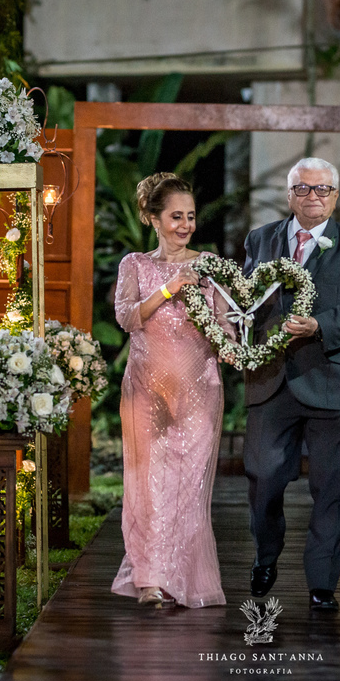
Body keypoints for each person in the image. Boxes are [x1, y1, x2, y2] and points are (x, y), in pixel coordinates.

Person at [242, 157, 340, 612]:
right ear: (290, 194)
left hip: (331, 381)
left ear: (336, 196)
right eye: (302, 188)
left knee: (333, 487)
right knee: (263, 477)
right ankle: (266, 556)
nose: (312, 196)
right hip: (270, 382)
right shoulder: (259, 239)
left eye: (322, 189)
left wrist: (318, 326)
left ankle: (322, 581)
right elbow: (246, 300)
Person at [112, 172, 230, 608]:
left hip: (199, 387)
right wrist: (167, 289)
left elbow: (223, 324)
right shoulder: (135, 265)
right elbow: (126, 317)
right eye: (175, 216)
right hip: (146, 388)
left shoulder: (209, 266)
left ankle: (180, 576)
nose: (185, 225)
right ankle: (148, 579)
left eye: (191, 216)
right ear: (153, 219)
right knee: (147, 482)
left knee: (188, 483)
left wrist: (236, 350)